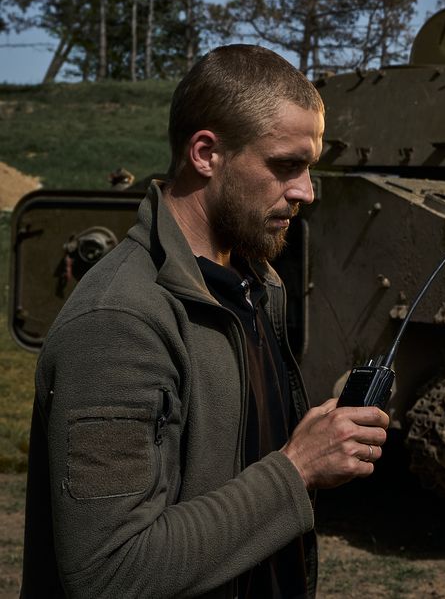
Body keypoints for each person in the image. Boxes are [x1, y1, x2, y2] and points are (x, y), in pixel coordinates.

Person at [22, 45, 389, 598]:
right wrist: (298, 469)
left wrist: (318, 451)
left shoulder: (254, 286)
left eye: (309, 167)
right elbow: (109, 572)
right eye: (286, 165)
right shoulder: (121, 322)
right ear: (205, 153)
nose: (306, 191)